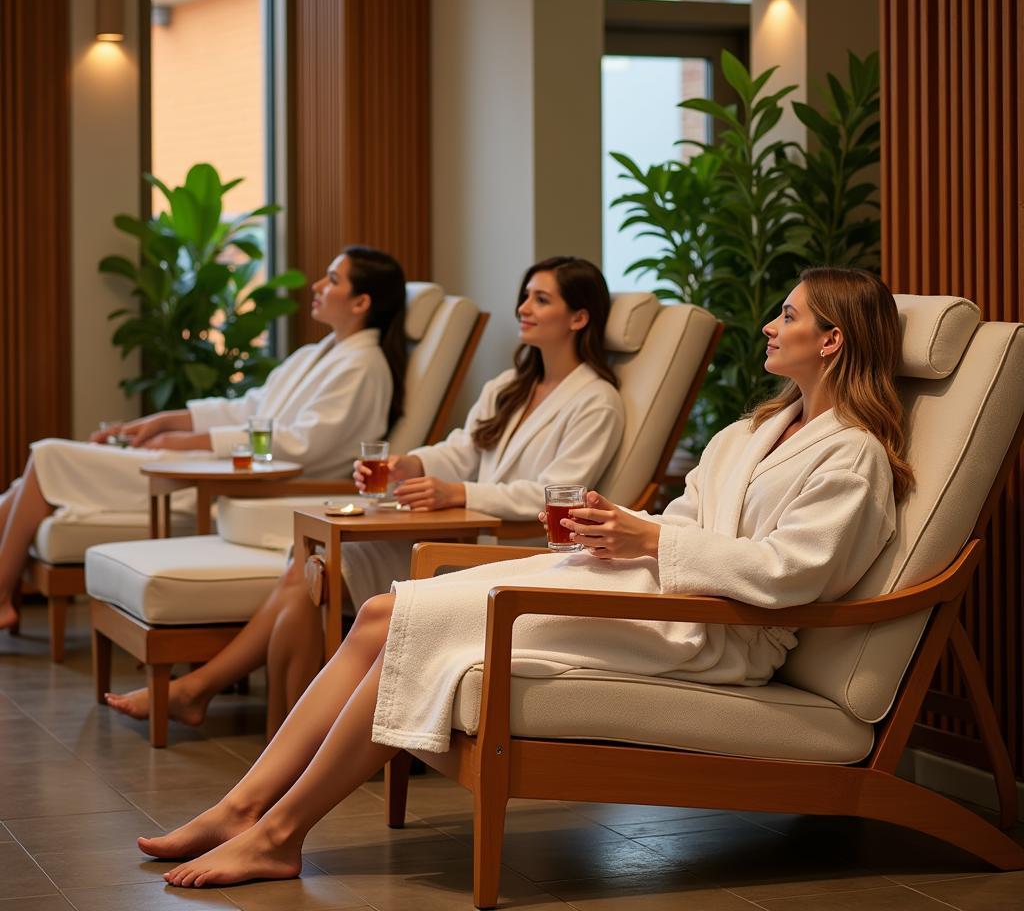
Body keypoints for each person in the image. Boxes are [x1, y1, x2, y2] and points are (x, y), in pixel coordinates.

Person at [137, 266, 912, 889]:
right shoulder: (755, 430)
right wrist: (631, 536)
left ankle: (277, 832)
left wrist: (649, 541)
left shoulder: (855, 456)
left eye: (790, 315)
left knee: (404, 619)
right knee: (380, 611)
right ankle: (244, 807)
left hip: (712, 631)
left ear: (834, 340)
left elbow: (794, 573)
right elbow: (688, 514)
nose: (772, 326)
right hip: (654, 590)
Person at [103, 255, 626, 736]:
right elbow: (464, 446)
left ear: (579, 318)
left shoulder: (596, 403)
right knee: (313, 567)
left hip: (506, 547)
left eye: (541, 298)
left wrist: (456, 492)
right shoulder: (511, 385)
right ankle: (274, 724)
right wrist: (413, 463)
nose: (523, 307)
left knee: (315, 574)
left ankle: (258, 718)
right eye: (526, 295)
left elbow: (560, 495)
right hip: (461, 527)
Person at [0, 245, 407, 633]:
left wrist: (187, 443)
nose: (317, 286)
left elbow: (301, 444)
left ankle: (2, 598)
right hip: (228, 468)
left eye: (332, 280)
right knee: (26, 484)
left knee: (49, 455)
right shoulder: (317, 354)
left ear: (361, 303)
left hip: (256, 486)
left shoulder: (363, 368)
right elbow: (250, 406)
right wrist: (168, 422)